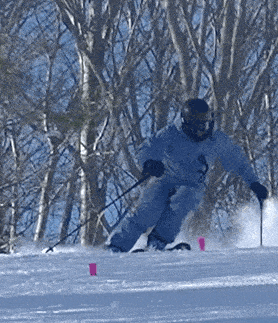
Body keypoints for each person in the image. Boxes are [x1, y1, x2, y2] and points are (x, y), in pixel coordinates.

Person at [106, 98, 268, 252]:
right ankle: (117, 246)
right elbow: (148, 147)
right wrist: (149, 163)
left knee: (185, 198)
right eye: (198, 126)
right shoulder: (171, 133)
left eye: (205, 124)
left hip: (192, 184)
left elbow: (238, 161)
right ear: (186, 123)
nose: (202, 130)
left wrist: (254, 183)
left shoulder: (216, 140)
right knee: (149, 211)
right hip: (164, 180)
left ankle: (158, 241)